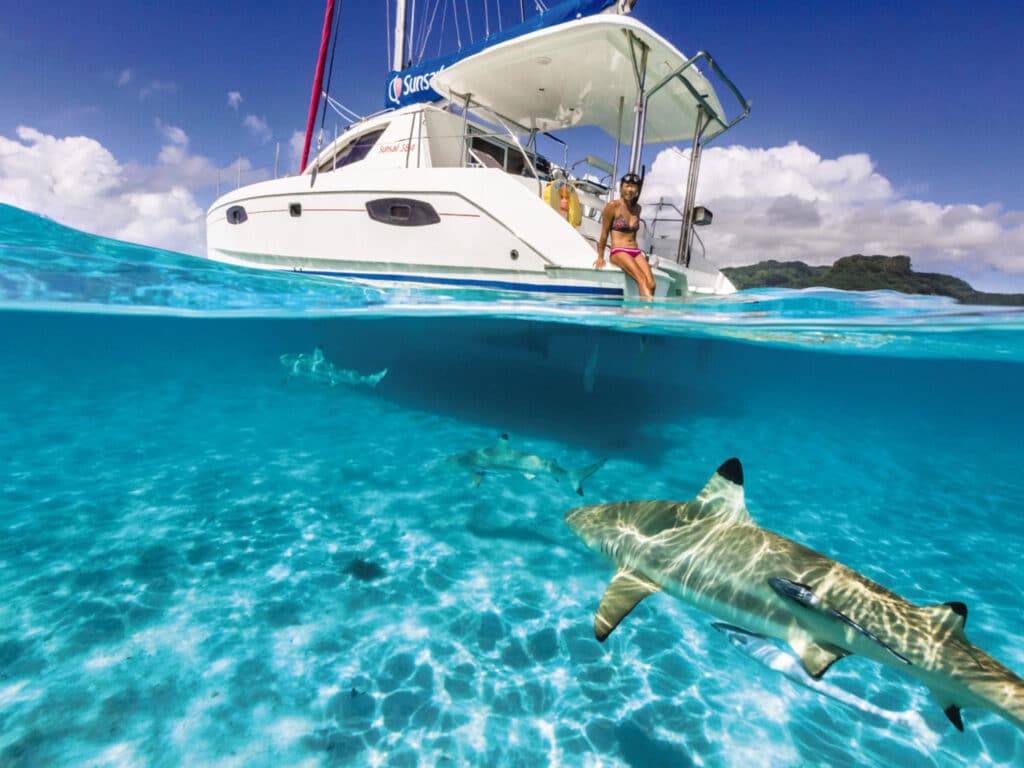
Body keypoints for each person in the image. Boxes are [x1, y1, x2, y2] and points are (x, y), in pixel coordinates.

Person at [593, 172, 656, 297]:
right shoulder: (612, 206)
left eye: (633, 186)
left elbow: (632, 235)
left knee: (652, 284)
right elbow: (604, 233)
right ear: (621, 187)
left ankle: (640, 310)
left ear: (638, 189)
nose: (630, 189)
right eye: (627, 186)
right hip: (618, 251)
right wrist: (600, 257)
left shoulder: (638, 209)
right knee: (641, 279)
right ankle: (646, 314)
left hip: (635, 251)